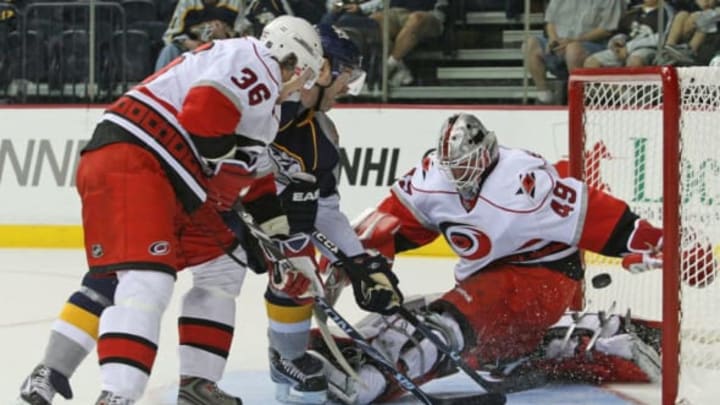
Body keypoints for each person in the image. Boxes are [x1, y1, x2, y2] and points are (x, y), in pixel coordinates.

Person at [18, 15, 325, 405]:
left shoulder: (265, 103)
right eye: (306, 76)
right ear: (292, 60)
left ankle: (198, 385)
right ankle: (117, 394)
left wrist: (282, 246)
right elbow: (203, 116)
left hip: (174, 180)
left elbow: (253, 180)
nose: (302, 87)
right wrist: (225, 186)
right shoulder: (256, 63)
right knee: (145, 279)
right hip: (138, 158)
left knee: (224, 266)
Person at [308, 112, 717, 403]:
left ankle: (373, 380)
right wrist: (354, 260)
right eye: (452, 166)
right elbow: (393, 222)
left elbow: (602, 217)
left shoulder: (525, 179)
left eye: (467, 164)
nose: (459, 176)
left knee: (446, 323)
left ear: (486, 151)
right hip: (486, 282)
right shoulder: (433, 175)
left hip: (542, 277)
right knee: (425, 319)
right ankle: (560, 344)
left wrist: (664, 244)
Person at [263, 23, 401, 404]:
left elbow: (324, 207)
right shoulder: (262, 107)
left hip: (263, 222)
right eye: (347, 75)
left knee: (297, 259)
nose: (347, 87)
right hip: (211, 213)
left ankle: (286, 358)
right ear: (321, 69)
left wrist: (359, 262)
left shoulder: (323, 134)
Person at [522, 0, 625, 103]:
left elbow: (606, 30)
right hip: (560, 43)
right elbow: (550, 22)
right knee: (531, 44)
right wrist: (554, 39)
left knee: (573, 49)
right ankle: (544, 94)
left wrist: (574, 41)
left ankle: (578, 97)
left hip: (594, 45)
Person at [154, 0, 244, 71]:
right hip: (190, 51)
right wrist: (186, 42)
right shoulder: (187, 2)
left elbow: (244, 42)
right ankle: (155, 89)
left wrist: (223, 38)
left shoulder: (235, 3)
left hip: (221, 53)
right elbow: (170, 35)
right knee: (169, 50)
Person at [584, 0, 673, 68]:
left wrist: (628, 48)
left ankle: (632, 92)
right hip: (624, 48)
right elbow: (620, 33)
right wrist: (617, 43)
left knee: (634, 61)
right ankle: (620, 92)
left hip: (647, 48)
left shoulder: (667, 12)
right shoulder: (633, 11)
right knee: (591, 62)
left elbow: (663, 38)